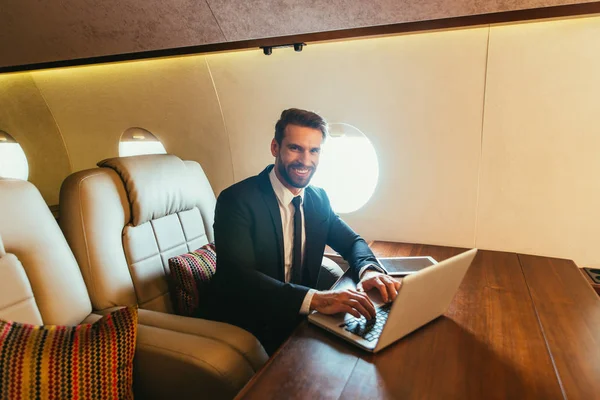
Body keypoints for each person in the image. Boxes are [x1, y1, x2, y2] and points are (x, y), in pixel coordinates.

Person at [204, 108, 401, 354]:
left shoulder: (318, 199)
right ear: (275, 148)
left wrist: (369, 271)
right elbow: (238, 278)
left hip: (298, 314)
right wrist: (317, 299)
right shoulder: (237, 200)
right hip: (249, 318)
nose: (305, 161)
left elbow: (353, 242)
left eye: (314, 150)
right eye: (295, 148)